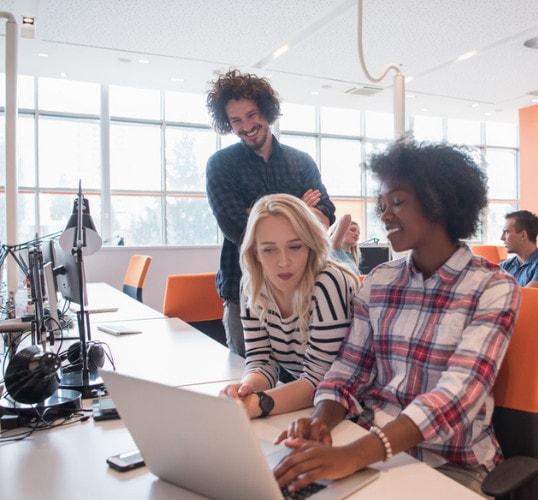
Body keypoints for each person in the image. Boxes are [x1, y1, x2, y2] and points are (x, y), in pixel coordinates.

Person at [272, 138, 521, 496]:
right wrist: (320, 422)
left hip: (452, 465)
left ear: (440, 202)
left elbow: (457, 395)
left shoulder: (493, 288)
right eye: (383, 204)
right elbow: (347, 370)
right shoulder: (378, 281)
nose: (385, 215)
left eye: (398, 202)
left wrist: (355, 455)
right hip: (367, 449)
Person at [205, 69, 336, 357]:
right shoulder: (220, 165)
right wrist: (300, 207)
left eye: (252, 115)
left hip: (303, 288)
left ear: (266, 111)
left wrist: (257, 211)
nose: (246, 126)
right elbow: (236, 227)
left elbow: (326, 216)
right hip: (245, 290)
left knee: (306, 378)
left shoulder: (301, 162)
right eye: (236, 120)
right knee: (248, 378)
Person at [220, 194, 358, 419]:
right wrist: (246, 389)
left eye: (294, 247)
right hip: (316, 408)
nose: (283, 261)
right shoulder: (252, 287)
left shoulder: (328, 282)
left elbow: (321, 380)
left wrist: (260, 403)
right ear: (255, 253)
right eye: (269, 250)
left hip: (353, 408)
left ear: (311, 246)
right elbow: (261, 360)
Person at [500, 210, 538, 304]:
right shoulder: (505, 266)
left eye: (507, 232)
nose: (502, 238)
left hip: (524, 318)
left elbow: (524, 302)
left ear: (523, 235)